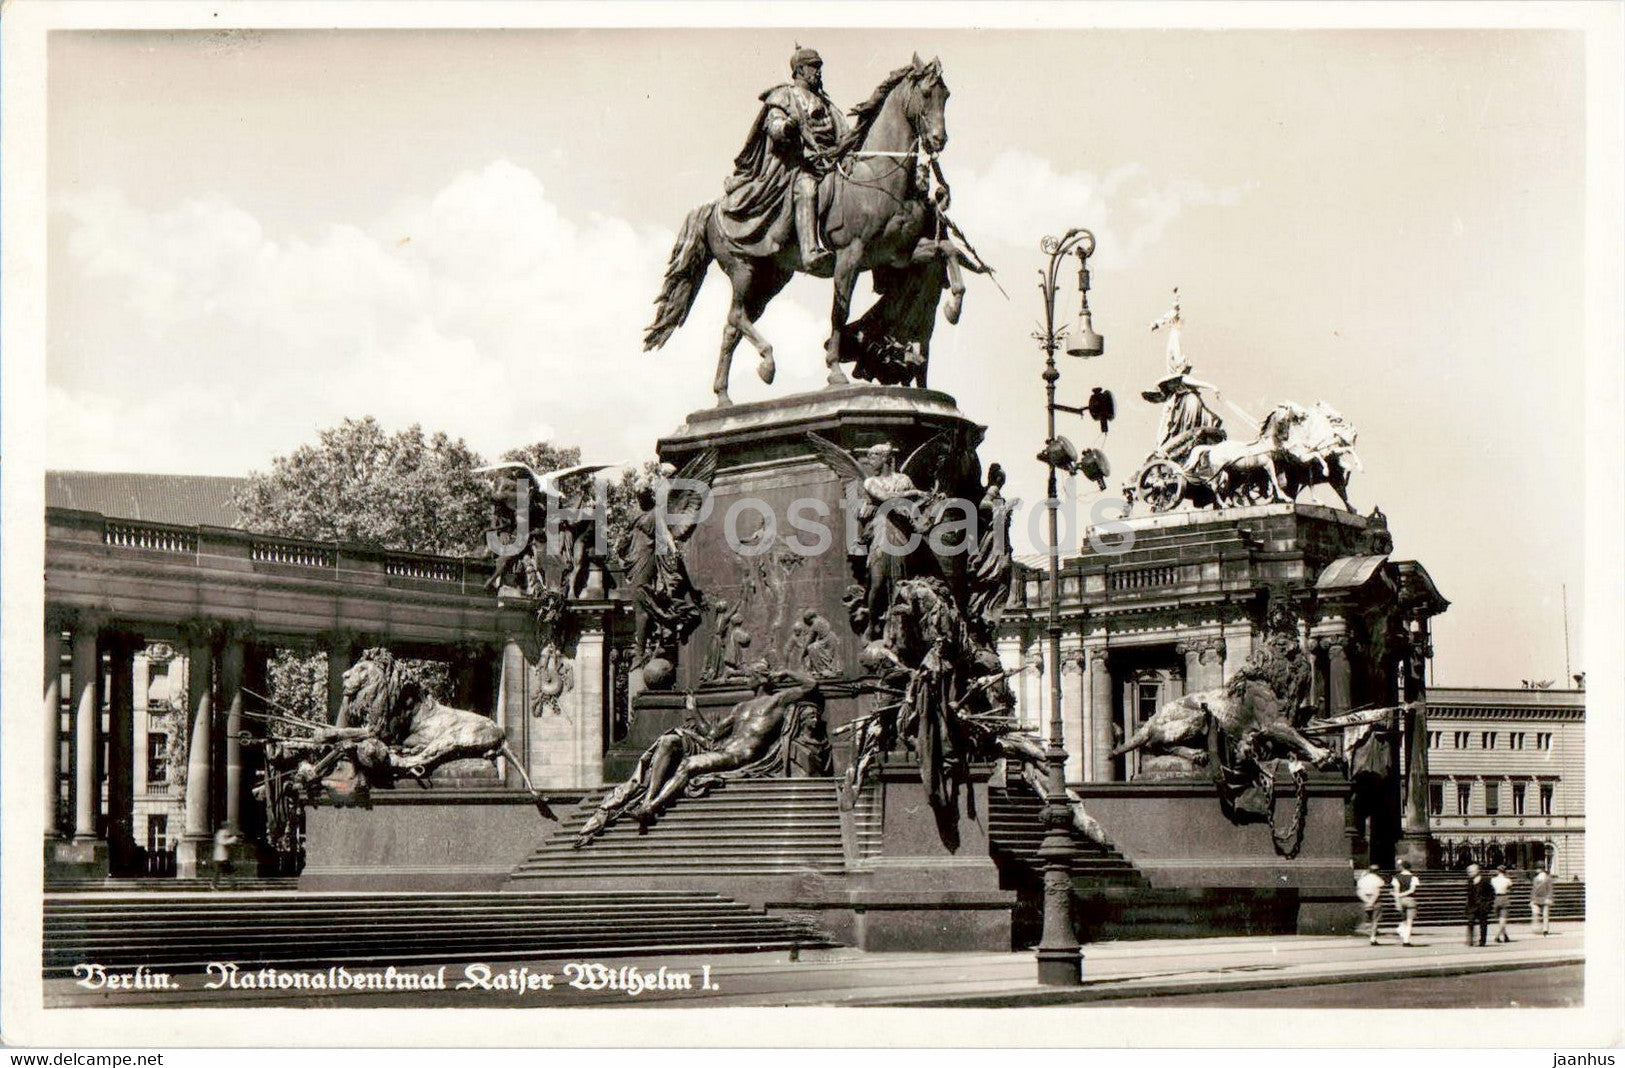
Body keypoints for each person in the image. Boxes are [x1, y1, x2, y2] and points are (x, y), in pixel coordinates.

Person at [723, 46, 848, 272]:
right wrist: (787, 127)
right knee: (806, 188)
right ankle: (810, 251)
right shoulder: (784, 96)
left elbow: (844, 134)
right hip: (797, 165)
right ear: (800, 70)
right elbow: (774, 126)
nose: (818, 72)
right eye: (814, 67)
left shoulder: (828, 104)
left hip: (829, 164)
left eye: (819, 67)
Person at [1390, 859, 1420, 946]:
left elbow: (1396, 890)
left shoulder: (1396, 877)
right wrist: (1403, 894)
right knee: (1409, 922)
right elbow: (1412, 890)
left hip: (1401, 900)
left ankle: (1401, 931)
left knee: (1403, 920)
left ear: (1401, 867)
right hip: (1410, 900)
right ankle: (1406, 940)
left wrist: (1397, 899)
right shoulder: (1414, 877)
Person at [1356, 863, 1386, 945]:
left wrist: (1367, 901)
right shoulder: (1378, 879)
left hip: (1365, 900)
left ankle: (1370, 934)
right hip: (1375, 901)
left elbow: (1359, 892)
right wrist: (1371, 902)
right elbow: (1377, 892)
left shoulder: (1362, 879)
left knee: (1367, 920)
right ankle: (1373, 938)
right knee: (1375, 920)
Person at [1464, 863, 1492, 946]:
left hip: (1483, 906)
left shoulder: (1485, 881)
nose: (1468, 873)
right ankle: (1471, 940)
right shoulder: (1470, 881)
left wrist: (1488, 903)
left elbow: (1491, 893)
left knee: (1483, 924)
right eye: (1468, 872)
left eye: (1470, 872)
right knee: (1471, 921)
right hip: (1472, 906)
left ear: (1477, 871)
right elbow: (1469, 894)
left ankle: (1482, 941)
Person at [1491, 865, 1515, 942]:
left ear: (1497, 871)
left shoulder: (1493, 880)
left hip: (1496, 898)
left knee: (1500, 920)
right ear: (1505, 871)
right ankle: (1497, 936)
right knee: (1503, 919)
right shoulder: (1507, 880)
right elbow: (1511, 889)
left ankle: (1505, 936)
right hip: (1504, 898)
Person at [1529, 866, 1554, 935]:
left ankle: (1544, 929)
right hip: (1541, 899)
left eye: (1538, 868)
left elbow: (1549, 889)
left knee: (1539, 914)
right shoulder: (1538, 878)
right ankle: (1543, 929)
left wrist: (1532, 899)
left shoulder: (1545, 878)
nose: (1536, 870)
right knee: (1543, 915)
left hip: (1541, 898)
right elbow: (1534, 890)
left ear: (1541, 869)